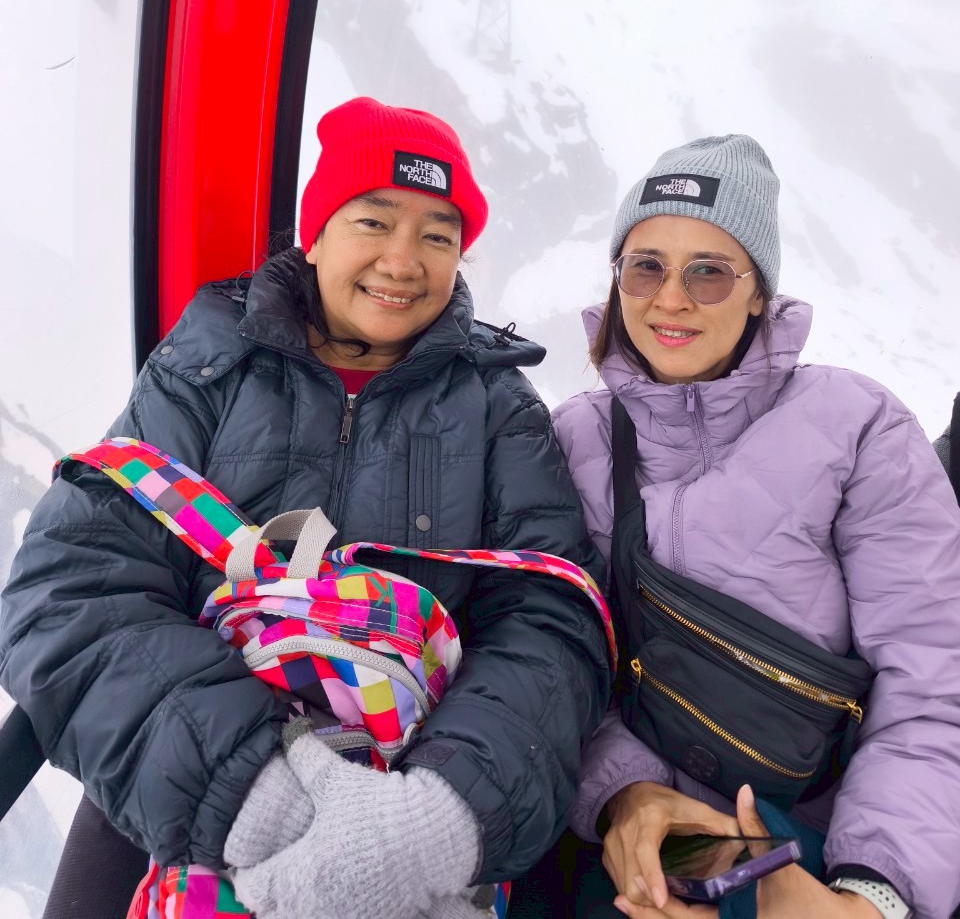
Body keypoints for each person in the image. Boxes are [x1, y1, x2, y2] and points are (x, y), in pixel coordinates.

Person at [0, 96, 611, 919]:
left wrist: (437, 820)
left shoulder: (498, 406)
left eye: (438, 236)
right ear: (315, 234)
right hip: (186, 767)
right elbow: (70, 587)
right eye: (374, 222)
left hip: (417, 781)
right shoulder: (208, 368)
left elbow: (552, 624)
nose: (404, 260)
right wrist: (257, 792)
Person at [550, 135, 960, 919]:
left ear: (759, 294)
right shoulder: (573, 439)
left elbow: (933, 676)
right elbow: (556, 652)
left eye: (708, 271)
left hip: (821, 843)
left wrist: (871, 895)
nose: (671, 299)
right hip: (631, 835)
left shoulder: (857, 427)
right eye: (646, 266)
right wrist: (628, 796)